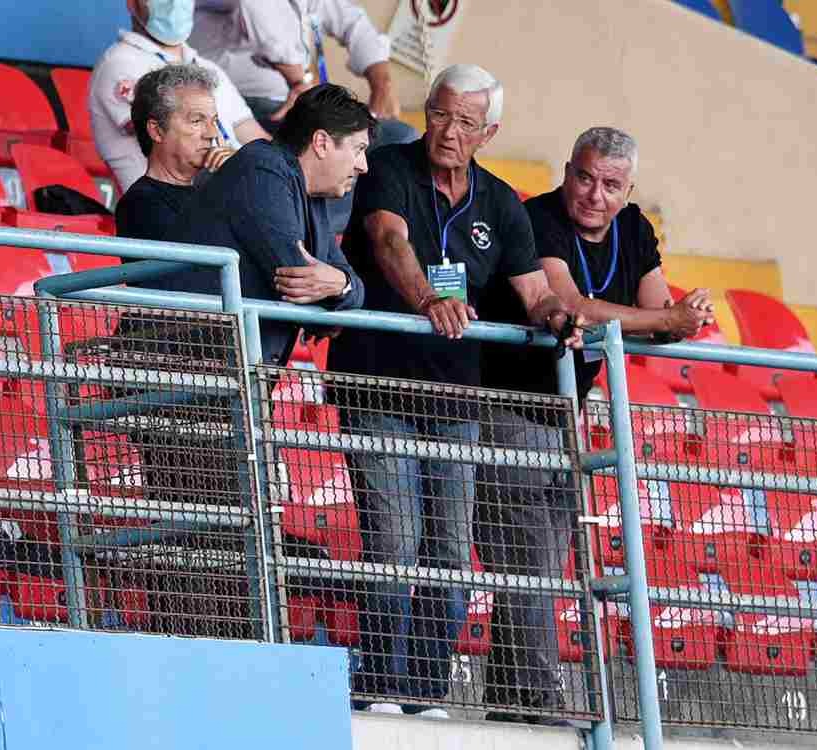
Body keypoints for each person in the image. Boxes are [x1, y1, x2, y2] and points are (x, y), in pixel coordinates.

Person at [326, 63, 581, 717]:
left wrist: (557, 319)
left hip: (457, 399)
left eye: (466, 121)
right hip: (378, 383)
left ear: (487, 131)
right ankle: (380, 682)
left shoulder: (500, 201)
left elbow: (533, 290)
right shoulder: (388, 166)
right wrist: (427, 299)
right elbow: (388, 238)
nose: (449, 130)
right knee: (394, 539)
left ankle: (426, 689)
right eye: (441, 113)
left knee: (447, 550)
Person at [474, 127, 713, 724]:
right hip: (503, 406)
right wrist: (664, 317)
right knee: (528, 554)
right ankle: (537, 698)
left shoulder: (634, 227)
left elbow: (661, 318)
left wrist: (682, 318)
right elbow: (569, 301)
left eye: (610, 185)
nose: (594, 195)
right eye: (584, 177)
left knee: (540, 558)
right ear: (567, 171)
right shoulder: (538, 219)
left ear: (628, 189)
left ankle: (512, 699)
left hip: (563, 415)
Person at [162, 83, 369, 365]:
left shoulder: (314, 196)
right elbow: (295, 278)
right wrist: (332, 300)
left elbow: (346, 282)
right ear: (321, 143)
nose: (363, 165)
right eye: (358, 149)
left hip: (226, 379)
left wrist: (342, 286)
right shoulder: (262, 168)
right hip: (176, 374)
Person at [90, 0, 273, 193]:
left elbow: (256, 137)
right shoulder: (120, 64)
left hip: (233, 195)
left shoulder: (206, 67)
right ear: (133, 4)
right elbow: (180, 148)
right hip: (169, 207)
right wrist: (244, 167)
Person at [191, 0, 417, 148]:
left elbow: (352, 22)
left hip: (292, 101)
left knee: (400, 138)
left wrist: (383, 85)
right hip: (244, 105)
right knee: (336, 149)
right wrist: (301, 81)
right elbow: (260, 13)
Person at [115, 64, 236, 240]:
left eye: (214, 121)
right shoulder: (140, 204)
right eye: (196, 121)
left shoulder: (212, 190)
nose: (213, 134)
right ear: (157, 131)